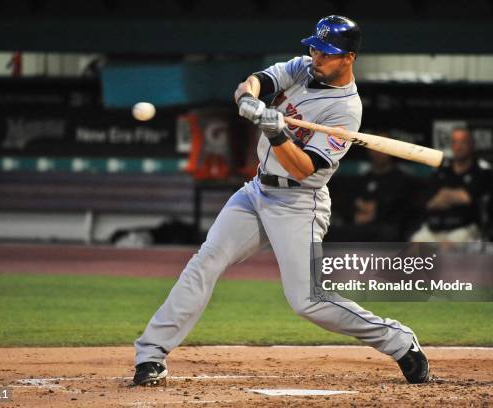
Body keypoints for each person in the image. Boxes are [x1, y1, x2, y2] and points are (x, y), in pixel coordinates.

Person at [133, 15, 429, 387]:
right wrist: (249, 102)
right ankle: (151, 355)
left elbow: (304, 168)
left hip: (299, 204)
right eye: (315, 48)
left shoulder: (345, 111)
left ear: (349, 58)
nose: (316, 57)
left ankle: (399, 341)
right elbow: (253, 83)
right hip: (257, 190)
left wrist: (276, 133)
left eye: (326, 53)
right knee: (206, 261)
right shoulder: (304, 68)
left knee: (308, 301)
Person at [410, 127, 493, 242]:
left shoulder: (481, 169)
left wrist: (443, 195)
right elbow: (429, 203)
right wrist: (452, 197)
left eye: (463, 142)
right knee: (414, 247)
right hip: (434, 228)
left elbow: (466, 198)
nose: (458, 147)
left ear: (472, 144)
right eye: (454, 142)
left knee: (446, 248)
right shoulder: (442, 170)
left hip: (464, 228)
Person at [329, 144, 416, 241]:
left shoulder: (401, 180)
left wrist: (377, 210)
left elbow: (402, 208)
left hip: (386, 227)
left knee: (387, 233)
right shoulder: (363, 179)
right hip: (358, 225)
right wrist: (356, 211)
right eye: (375, 149)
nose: (378, 153)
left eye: (382, 149)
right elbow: (349, 202)